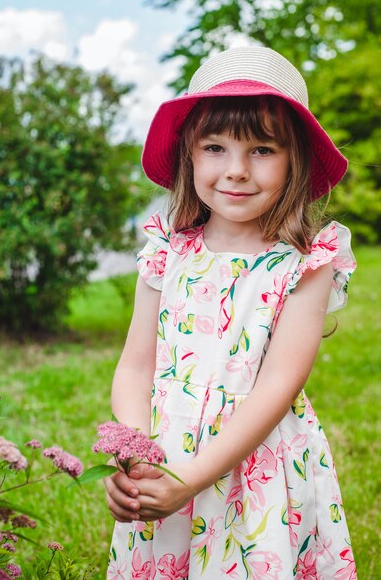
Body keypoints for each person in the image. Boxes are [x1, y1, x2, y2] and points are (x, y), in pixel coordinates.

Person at [104, 47, 357, 579]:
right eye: (215, 147)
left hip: (256, 466)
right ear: (189, 156)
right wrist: (136, 455)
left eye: (262, 149)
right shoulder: (165, 253)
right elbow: (135, 366)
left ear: (296, 160)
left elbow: (277, 387)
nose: (236, 170)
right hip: (166, 456)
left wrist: (193, 477)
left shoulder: (305, 266)